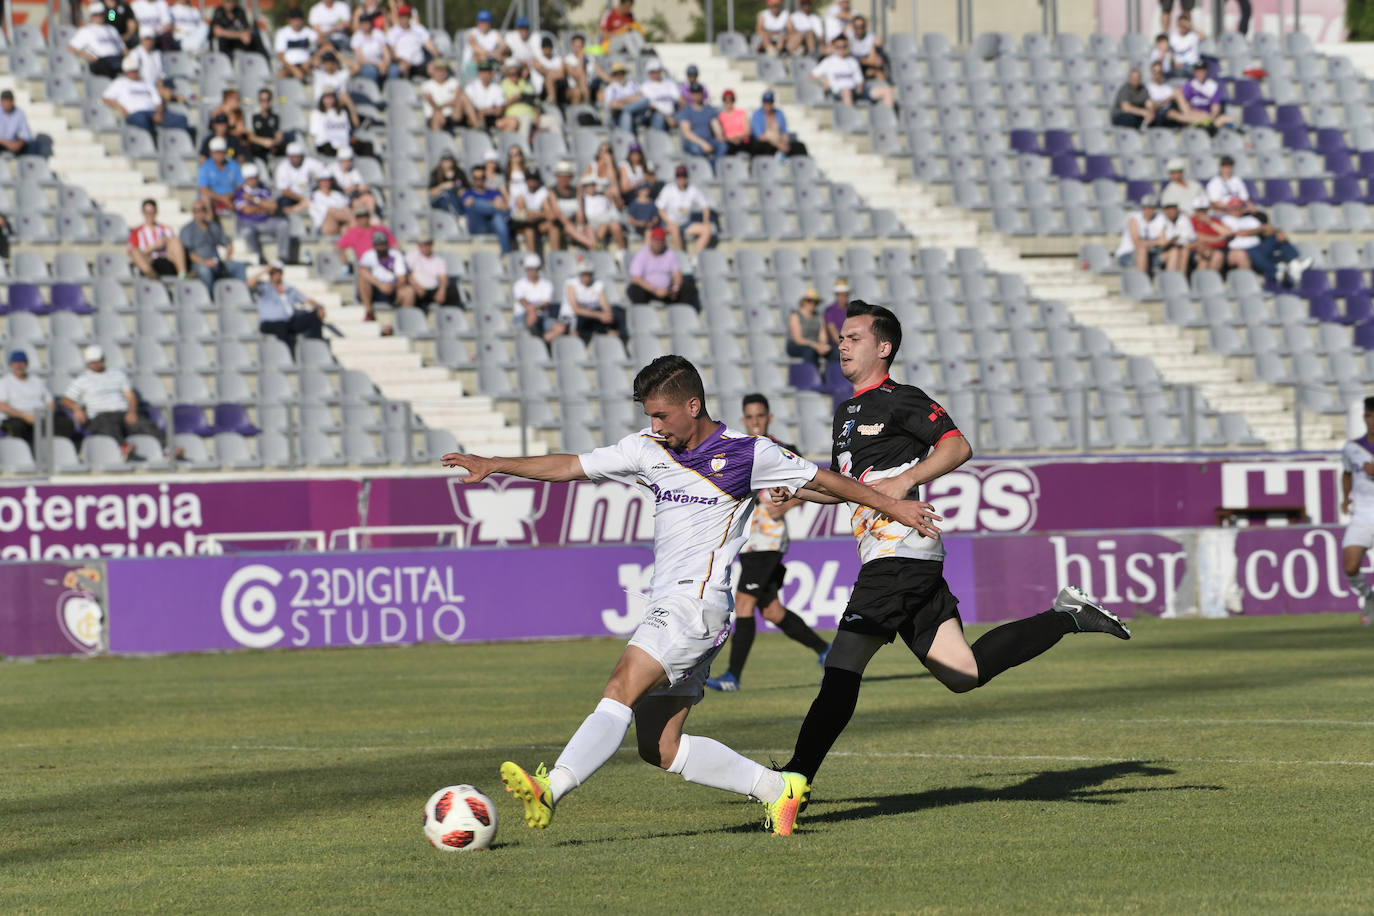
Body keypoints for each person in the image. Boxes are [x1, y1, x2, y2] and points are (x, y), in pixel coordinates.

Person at [441, 354, 939, 836]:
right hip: (683, 610)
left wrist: (894, 507)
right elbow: (570, 465)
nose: (655, 425)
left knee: (619, 688)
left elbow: (829, 481)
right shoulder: (645, 448)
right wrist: (495, 463)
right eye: (649, 416)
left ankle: (552, 787)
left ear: (693, 406)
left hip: (693, 607)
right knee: (660, 746)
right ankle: (778, 788)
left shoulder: (750, 453)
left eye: (661, 414)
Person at [774, 302, 1131, 811]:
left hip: (901, 551)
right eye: (842, 338)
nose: (842, 345)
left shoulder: (902, 399)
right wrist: (801, 492)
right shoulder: (846, 412)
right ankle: (1068, 616)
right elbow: (850, 488)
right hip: (894, 556)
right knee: (963, 672)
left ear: (883, 348)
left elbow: (958, 446)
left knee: (844, 662)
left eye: (854, 337)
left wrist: (906, 480)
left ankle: (794, 781)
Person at [706, 393, 831, 693]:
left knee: (744, 604)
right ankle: (826, 651)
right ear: (744, 419)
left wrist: (787, 505)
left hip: (769, 541)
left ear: (769, 418)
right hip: (748, 543)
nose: (755, 421)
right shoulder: (739, 451)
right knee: (773, 611)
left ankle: (732, 677)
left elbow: (810, 486)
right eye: (750, 417)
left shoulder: (784, 451)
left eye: (760, 416)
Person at [61, 345, 166, 461]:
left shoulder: (118, 375)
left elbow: (130, 396)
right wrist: (77, 409)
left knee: (144, 424)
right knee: (106, 424)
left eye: (98, 361)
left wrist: (132, 411)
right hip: (99, 415)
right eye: (92, 362)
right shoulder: (82, 380)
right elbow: (66, 399)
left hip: (122, 413)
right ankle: (123, 448)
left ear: (103, 360)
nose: (95, 364)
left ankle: (167, 448)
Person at [1218, 196, 1311, 286]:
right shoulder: (1225, 220)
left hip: (1258, 246)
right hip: (1242, 249)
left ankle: (1294, 264)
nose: (1236, 210)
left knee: (1278, 236)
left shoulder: (1250, 219)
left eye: (1238, 207)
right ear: (1229, 208)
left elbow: (1269, 229)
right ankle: (1276, 272)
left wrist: (1276, 231)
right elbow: (1240, 233)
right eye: (1233, 207)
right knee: (1253, 253)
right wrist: (1260, 229)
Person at [102, 53, 193, 139]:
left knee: (182, 119)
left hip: (153, 112)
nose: (133, 73)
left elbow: (158, 102)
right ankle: (154, 140)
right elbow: (106, 98)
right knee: (143, 120)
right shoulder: (120, 82)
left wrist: (159, 113)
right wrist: (121, 107)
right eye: (130, 71)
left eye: (135, 70)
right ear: (126, 72)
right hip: (135, 114)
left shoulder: (147, 83)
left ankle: (182, 141)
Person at [1341, 397, 1374, 627]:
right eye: (1369, 415)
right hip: (1362, 515)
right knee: (1351, 567)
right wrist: (1345, 498)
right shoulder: (1352, 447)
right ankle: (1369, 597)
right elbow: (1347, 473)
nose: (1371, 420)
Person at [0, 350, 78, 448]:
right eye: (16, 363)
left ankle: (59, 450)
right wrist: (25, 416)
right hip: (17, 417)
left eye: (22, 362)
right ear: (11, 365)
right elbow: (3, 406)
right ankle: (25, 453)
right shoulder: (4, 382)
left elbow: (50, 401)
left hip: (40, 416)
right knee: (18, 427)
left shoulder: (36, 381)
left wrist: (46, 414)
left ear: (26, 364)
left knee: (65, 423)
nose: (19, 365)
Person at [251, 261, 325, 354]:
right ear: (270, 274)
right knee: (281, 326)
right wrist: (265, 270)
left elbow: (306, 299)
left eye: (278, 272)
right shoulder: (264, 287)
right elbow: (249, 283)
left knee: (314, 317)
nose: (276, 275)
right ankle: (287, 355)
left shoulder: (289, 288)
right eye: (273, 272)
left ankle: (316, 349)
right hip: (269, 323)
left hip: (288, 321)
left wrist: (319, 307)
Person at [181, 200, 248, 292]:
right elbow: (189, 254)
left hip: (217, 262)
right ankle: (209, 299)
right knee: (205, 271)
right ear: (193, 212)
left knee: (239, 266)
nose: (200, 213)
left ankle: (242, 294)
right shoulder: (187, 230)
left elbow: (228, 243)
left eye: (203, 210)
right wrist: (205, 262)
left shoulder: (213, 227)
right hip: (199, 264)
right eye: (196, 210)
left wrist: (227, 257)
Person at [810, 35, 894, 108]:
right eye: (838, 47)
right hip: (839, 92)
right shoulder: (828, 61)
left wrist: (859, 87)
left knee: (887, 90)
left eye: (844, 46)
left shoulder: (853, 61)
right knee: (847, 92)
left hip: (855, 91)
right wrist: (824, 80)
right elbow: (812, 76)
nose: (841, 49)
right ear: (834, 47)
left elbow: (859, 80)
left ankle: (888, 120)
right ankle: (850, 122)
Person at [627, 225, 700, 309]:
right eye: (656, 240)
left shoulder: (670, 253)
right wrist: (654, 290)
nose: (658, 244)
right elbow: (636, 278)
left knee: (688, 287)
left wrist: (675, 288)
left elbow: (677, 274)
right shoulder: (642, 254)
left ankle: (683, 314)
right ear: (652, 240)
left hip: (668, 291)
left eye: (661, 241)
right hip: (649, 290)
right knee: (634, 289)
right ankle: (643, 315)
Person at [235, 163, 293, 264]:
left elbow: (274, 206)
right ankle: (258, 257)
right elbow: (246, 210)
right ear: (245, 179)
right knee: (246, 232)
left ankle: (283, 256)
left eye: (255, 178)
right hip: (249, 222)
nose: (253, 180)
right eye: (250, 178)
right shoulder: (240, 192)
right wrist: (263, 207)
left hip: (266, 221)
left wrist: (254, 200)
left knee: (283, 224)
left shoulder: (263, 189)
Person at [655, 164, 713, 256]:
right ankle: (681, 257)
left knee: (707, 229)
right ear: (676, 177)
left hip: (685, 223)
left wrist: (706, 221)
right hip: (668, 223)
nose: (681, 179)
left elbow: (705, 207)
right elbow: (660, 208)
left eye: (683, 176)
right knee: (675, 229)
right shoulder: (668, 189)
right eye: (679, 176)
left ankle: (697, 257)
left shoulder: (693, 190)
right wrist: (669, 222)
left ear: (687, 177)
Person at [357, 229, 415, 319]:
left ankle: (404, 319)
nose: (380, 247)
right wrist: (380, 285)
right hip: (376, 288)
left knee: (409, 292)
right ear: (374, 245)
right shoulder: (368, 255)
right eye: (378, 244)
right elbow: (362, 271)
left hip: (393, 288)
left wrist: (393, 287)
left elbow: (402, 278)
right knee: (363, 279)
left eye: (382, 244)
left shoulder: (396, 255)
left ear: (386, 244)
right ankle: (369, 311)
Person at [563, 257, 626, 342]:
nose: (586, 277)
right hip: (573, 317)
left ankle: (620, 342)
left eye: (588, 274)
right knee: (578, 320)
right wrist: (600, 315)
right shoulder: (571, 284)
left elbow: (605, 304)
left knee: (616, 314)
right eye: (583, 274)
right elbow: (576, 309)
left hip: (591, 315)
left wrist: (607, 315)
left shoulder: (597, 284)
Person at [513, 253, 568, 344]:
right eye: (529, 269)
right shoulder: (519, 284)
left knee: (560, 328)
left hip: (542, 317)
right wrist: (532, 309)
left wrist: (534, 309)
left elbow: (546, 303)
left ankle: (541, 342)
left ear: (538, 269)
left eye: (534, 269)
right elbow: (522, 301)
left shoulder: (547, 284)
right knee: (531, 312)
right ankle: (535, 338)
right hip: (522, 316)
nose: (531, 272)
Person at [128, 198, 188, 278]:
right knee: (134, 251)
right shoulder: (136, 232)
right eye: (147, 212)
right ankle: (151, 274)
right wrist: (154, 246)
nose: (149, 215)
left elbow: (175, 247)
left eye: (151, 212)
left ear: (156, 212)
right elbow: (135, 253)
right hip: (149, 262)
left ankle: (183, 274)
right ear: (143, 213)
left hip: (165, 260)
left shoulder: (165, 229)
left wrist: (166, 243)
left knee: (175, 241)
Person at [460, 163, 512, 254]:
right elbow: (468, 203)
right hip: (476, 225)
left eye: (481, 177)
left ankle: (506, 255)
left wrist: (493, 205)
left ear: (485, 178)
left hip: (491, 225)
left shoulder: (494, 192)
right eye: (476, 178)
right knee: (475, 204)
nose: (479, 180)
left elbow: (503, 205)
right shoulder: (467, 193)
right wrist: (493, 204)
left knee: (498, 218)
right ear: (472, 179)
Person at [1115, 196, 1170, 273]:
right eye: (1146, 207)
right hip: (1128, 254)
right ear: (1142, 208)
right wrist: (1157, 242)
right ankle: (1141, 282)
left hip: (1151, 253)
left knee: (1173, 252)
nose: (1148, 210)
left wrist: (1156, 242)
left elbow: (1163, 241)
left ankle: (1172, 282)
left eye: (1151, 207)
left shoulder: (1160, 218)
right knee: (1142, 250)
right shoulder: (1134, 219)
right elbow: (1137, 243)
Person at [69, 6, 128, 77]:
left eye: (101, 14)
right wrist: (88, 56)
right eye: (96, 15)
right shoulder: (86, 30)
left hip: (117, 58)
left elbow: (123, 48)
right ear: (91, 16)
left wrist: (130, 59)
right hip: (100, 61)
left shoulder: (112, 29)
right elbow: (71, 48)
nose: (99, 17)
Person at [1180, 60, 1236, 133]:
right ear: (1194, 72)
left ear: (1206, 71)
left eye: (1202, 71)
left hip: (1209, 117)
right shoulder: (1189, 86)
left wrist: (1210, 118)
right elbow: (1186, 107)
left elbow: (1215, 108)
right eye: (1198, 71)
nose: (1200, 73)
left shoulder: (1213, 86)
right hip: (1194, 116)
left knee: (1229, 119)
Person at [406, 238, 461, 310]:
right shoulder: (412, 256)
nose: (425, 247)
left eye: (427, 245)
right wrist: (416, 287)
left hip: (433, 290)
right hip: (418, 289)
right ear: (418, 246)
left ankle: (448, 316)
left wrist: (442, 290)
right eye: (422, 245)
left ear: (431, 245)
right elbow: (407, 274)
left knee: (453, 292)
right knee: (410, 293)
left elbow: (443, 278)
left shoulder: (439, 260)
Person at [679, 83, 725, 167]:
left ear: (702, 94)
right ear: (690, 95)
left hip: (708, 140)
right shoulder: (686, 111)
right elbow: (687, 133)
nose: (696, 95)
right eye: (694, 93)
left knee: (722, 146)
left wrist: (719, 135)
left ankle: (714, 167)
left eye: (698, 93)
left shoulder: (709, 109)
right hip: (693, 142)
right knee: (696, 149)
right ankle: (706, 168)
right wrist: (703, 144)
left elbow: (715, 124)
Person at [386, 4, 437, 81]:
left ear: (410, 17)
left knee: (438, 70)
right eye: (402, 17)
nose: (404, 19)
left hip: (419, 64)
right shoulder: (393, 31)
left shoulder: (419, 29)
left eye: (406, 16)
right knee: (395, 70)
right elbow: (391, 52)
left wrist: (434, 61)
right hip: (400, 63)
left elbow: (430, 46)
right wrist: (401, 61)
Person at [511, 169, 556, 254]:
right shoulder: (520, 190)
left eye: (534, 179)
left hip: (535, 222)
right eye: (529, 179)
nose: (532, 182)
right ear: (526, 180)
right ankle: (532, 259)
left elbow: (550, 214)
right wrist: (539, 214)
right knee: (529, 230)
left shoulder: (542, 191)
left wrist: (536, 214)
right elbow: (524, 214)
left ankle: (556, 257)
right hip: (520, 223)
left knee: (553, 227)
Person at [421, 59, 474, 132]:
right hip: (435, 115)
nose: (441, 73)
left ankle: (476, 125)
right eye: (438, 70)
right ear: (434, 71)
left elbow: (458, 98)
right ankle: (437, 140)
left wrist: (442, 105)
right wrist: (439, 110)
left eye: (443, 70)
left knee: (463, 97)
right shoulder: (427, 85)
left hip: (452, 115)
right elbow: (430, 100)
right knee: (436, 116)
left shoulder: (453, 82)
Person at [274, 140, 324, 216]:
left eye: (297, 156)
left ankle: (294, 210)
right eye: (293, 156)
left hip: (309, 195)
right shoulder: (283, 167)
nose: (295, 159)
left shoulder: (309, 162)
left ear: (302, 156)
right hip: (292, 197)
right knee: (283, 202)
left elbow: (324, 172)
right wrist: (302, 200)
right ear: (289, 156)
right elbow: (285, 191)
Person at [786, 288, 831, 369]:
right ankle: (810, 377)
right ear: (803, 302)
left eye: (815, 302)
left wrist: (822, 345)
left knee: (833, 351)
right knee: (809, 351)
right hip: (796, 345)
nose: (813, 304)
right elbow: (798, 339)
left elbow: (823, 334)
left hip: (814, 344)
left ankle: (834, 377)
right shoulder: (795, 316)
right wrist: (815, 346)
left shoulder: (819, 316)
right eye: (810, 301)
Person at [196, 137, 243, 212]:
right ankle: (209, 219)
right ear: (211, 153)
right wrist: (222, 198)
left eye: (221, 152)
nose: (219, 155)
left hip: (231, 198)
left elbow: (240, 185)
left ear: (225, 152)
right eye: (216, 152)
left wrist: (230, 196)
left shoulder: (233, 164)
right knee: (203, 199)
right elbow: (203, 189)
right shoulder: (205, 167)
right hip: (214, 199)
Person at [275, 7, 320, 81]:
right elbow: (280, 55)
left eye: (299, 20)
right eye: (294, 20)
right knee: (281, 76)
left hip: (306, 65)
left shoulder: (309, 32)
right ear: (289, 20)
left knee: (318, 69)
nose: (297, 23)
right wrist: (294, 69)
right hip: (288, 66)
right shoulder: (282, 33)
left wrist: (311, 60)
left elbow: (324, 46)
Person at [465, 60, 511, 131]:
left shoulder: (496, 88)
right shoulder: (471, 87)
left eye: (487, 71)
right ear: (478, 73)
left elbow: (499, 110)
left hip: (490, 118)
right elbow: (467, 107)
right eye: (482, 71)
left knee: (512, 122)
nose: (485, 74)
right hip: (474, 117)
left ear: (491, 73)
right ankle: (478, 127)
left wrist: (484, 111)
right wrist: (486, 111)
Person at [604, 61, 649, 133]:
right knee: (626, 115)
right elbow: (613, 105)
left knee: (645, 101)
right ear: (614, 75)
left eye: (622, 73)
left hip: (636, 114)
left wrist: (622, 101)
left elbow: (641, 97)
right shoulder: (611, 88)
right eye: (617, 74)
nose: (620, 76)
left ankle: (628, 111)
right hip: (618, 116)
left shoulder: (632, 84)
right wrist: (631, 99)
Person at [462, 8, 507, 75]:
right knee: (481, 57)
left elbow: (504, 45)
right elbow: (474, 46)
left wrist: (498, 52)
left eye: (486, 21)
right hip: (472, 66)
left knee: (505, 61)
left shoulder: (494, 33)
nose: (484, 24)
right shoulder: (472, 32)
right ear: (477, 22)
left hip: (490, 62)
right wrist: (493, 54)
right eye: (482, 21)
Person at [349, 14, 391, 83]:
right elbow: (360, 59)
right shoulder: (357, 36)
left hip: (380, 63)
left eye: (366, 23)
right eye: (362, 23)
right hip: (365, 65)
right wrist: (377, 64)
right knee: (371, 71)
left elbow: (386, 53)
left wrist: (385, 64)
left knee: (394, 70)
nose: (365, 26)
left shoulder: (378, 33)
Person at [640, 60, 680, 131]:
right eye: (652, 72)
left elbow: (678, 98)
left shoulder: (670, 83)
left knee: (685, 117)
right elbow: (652, 105)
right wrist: (667, 117)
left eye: (656, 71)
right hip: (656, 114)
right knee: (659, 118)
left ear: (661, 71)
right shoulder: (646, 86)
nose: (654, 74)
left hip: (673, 113)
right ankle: (659, 140)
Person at [248, 87, 285, 160]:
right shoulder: (254, 116)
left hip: (272, 146)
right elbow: (251, 136)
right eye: (262, 100)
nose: (265, 103)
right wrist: (263, 142)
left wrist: (273, 142)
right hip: (259, 147)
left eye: (267, 100)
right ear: (259, 101)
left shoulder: (275, 117)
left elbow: (279, 135)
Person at [848, 15, 887, 83]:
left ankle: (887, 90)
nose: (859, 29)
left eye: (862, 26)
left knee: (878, 72)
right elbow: (847, 57)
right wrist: (865, 61)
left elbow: (875, 60)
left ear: (865, 27)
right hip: (852, 66)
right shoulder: (848, 36)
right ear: (853, 27)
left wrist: (864, 61)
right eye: (856, 27)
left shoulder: (871, 37)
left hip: (866, 66)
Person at [0, 90, 34, 156]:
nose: (7, 103)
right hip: (2, 143)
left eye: (9, 101)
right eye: (4, 101)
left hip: (14, 144)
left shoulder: (19, 113)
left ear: (13, 101)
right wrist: (7, 143)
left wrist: (19, 143)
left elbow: (27, 133)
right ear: (1, 101)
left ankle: (27, 164)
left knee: (32, 144)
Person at [823, 278, 850, 349]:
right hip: (836, 344)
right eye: (840, 295)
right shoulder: (830, 310)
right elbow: (833, 332)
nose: (843, 297)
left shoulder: (852, 309)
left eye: (845, 294)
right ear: (836, 295)